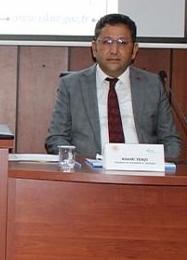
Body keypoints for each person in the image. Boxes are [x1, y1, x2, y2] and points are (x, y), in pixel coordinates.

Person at [46, 13, 182, 158]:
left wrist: (155, 163)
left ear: (134, 50)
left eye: (122, 42)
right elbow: (56, 138)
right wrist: (81, 164)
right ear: (94, 48)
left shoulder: (152, 85)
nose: (114, 50)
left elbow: (171, 141)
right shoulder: (72, 86)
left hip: (141, 167)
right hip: (90, 168)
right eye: (107, 42)